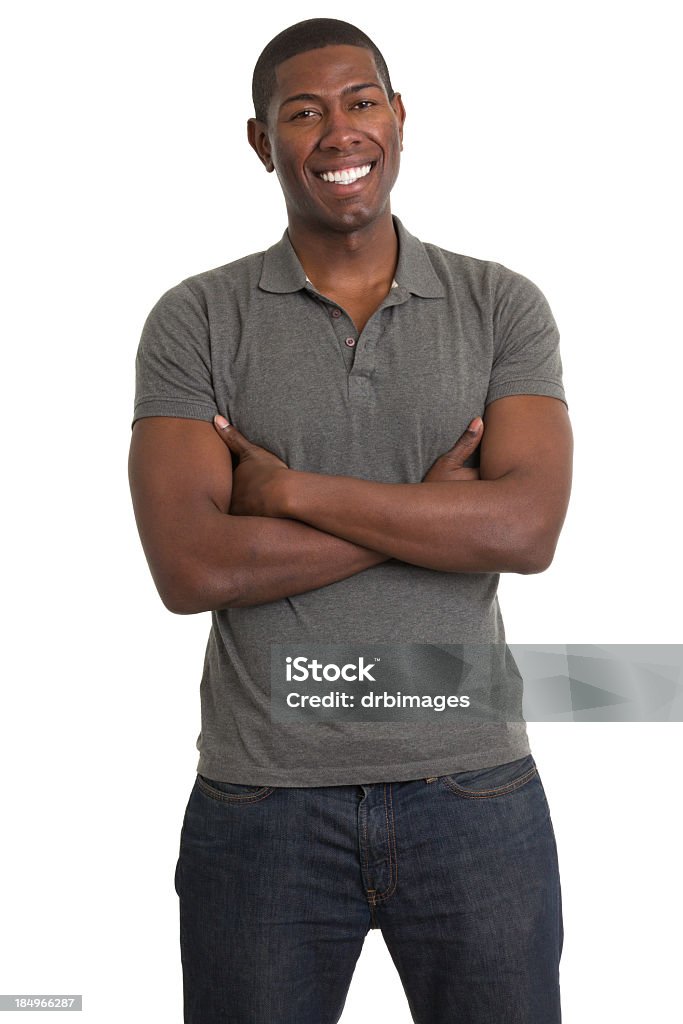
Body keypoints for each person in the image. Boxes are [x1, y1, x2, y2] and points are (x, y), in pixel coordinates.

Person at [128, 17, 572, 1024]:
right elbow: (190, 565)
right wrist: (429, 509)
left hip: (473, 792)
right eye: (303, 111)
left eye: (360, 102)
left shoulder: (500, 306)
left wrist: (290, 492)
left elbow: (525, 529)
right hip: (260, 804)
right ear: (260, 141)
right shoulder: (195, 320)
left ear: (399, 118)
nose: (339, 133)